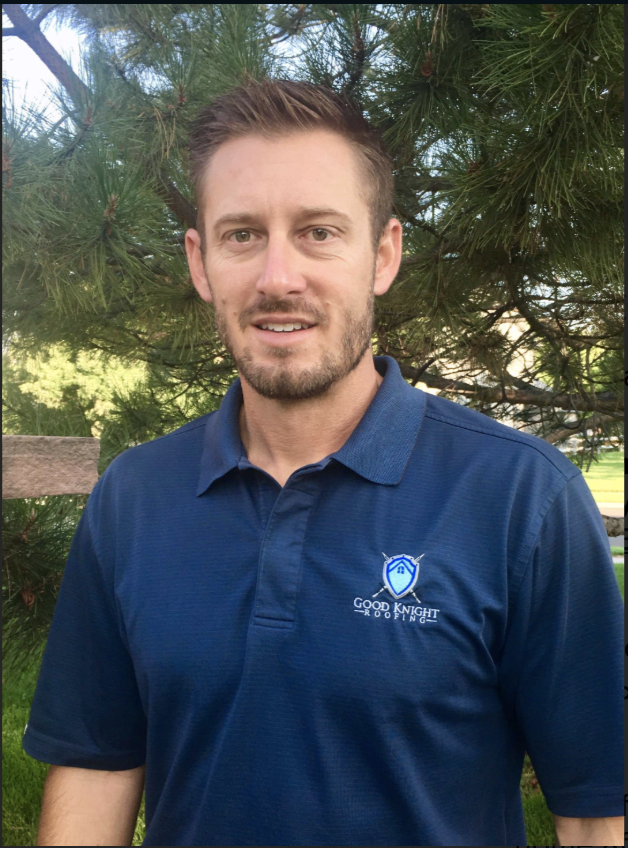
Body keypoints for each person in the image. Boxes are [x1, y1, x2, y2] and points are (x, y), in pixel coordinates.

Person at [24, 79, 623, 847]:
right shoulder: (132, 499)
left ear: (383, 254)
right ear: (201, 262)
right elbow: (94, 769)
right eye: (243, 234)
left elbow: (595, 812)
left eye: (318, 232)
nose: (278, 277)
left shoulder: (522, 499)